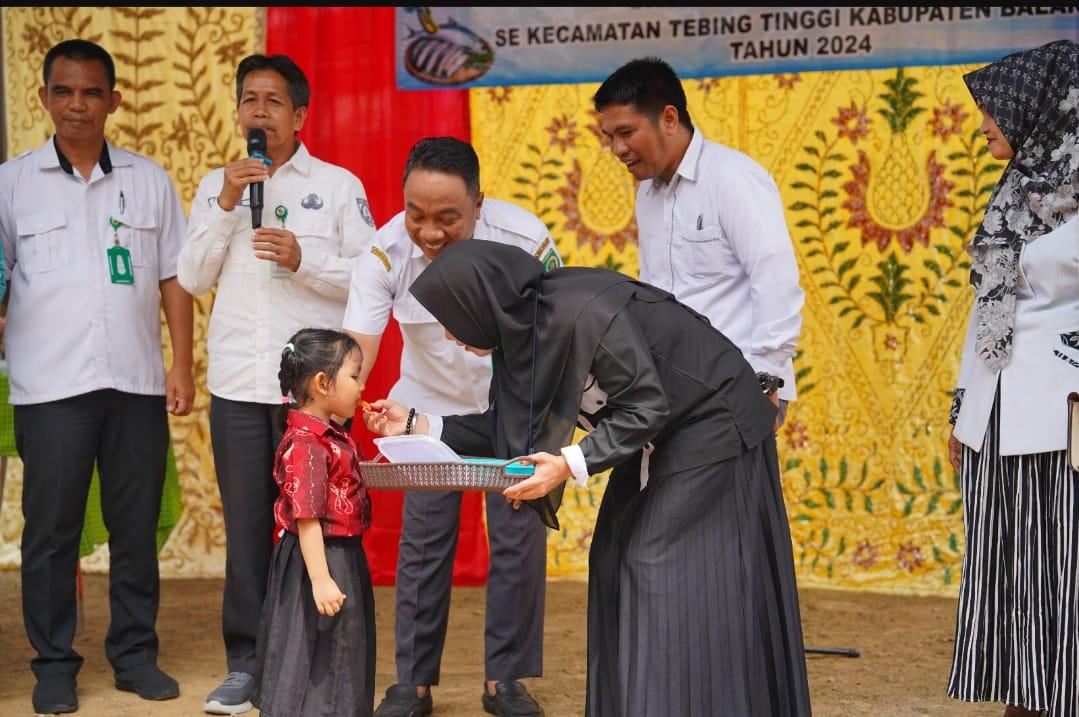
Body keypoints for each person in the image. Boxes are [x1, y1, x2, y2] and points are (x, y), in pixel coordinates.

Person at [364, 240, 813, 717]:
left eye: (453, 319)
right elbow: (503, 430)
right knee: (613, 555)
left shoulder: (585, 311)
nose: (451, 336)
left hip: (716, 425)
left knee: (649, 563)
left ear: (483, 303)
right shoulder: (521, 340)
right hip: (661, 435)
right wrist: (414, 422)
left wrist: (569, 462)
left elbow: (647, 406)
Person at [177, 53, 376, 715]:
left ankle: (309, 652)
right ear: (237, 111)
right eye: (248, 100)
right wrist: (229, 203)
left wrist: (305, 258)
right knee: (246, 525)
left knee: (312, 519)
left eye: (272, 101)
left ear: (298, 114)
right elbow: (191, 275)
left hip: (309, 393)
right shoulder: (217, 186)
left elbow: (368, 277)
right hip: (237, 380)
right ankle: (247, 661)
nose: (258, 112)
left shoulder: (338, 184)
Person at [0, 39, 193, 713]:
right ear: (45, 97)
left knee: (134, 525)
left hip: (135, 383)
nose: (77, 104)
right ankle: (54, 662)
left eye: (90, 92)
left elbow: (174, 276)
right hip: (48, 388)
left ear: (114, 99)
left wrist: (181, 362)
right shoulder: (11, 183)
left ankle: (134, 655)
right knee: (50, 529)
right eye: (63, 91)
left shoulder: (149, 179)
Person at [343, 136, 559, 717]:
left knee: (517, 539)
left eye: (447, 218)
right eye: (416, 214)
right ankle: (411, 682)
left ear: (479, 204)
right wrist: (333, 406)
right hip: (427, 411)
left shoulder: (525, 239)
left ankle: (505, 681)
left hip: (512, 408)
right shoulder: (385, 251)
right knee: (424, 542)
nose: (429, 231)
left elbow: (557, 331)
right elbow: (358, 349)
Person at [946, 39, 1079, 717]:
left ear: (1037, 106)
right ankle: (1028, 694)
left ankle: (1059, 694)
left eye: (992, 109)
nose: (983, 122)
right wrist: (960, 413)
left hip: (1062, 416)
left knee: (1062, 561)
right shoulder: (1015, 189)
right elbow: (986, 307)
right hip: (996, 411)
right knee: (1008, 563)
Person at [594, 57, 804, 423]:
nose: (617, 149)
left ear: (669, 119)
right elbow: (656, 292)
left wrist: (765, 381)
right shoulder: (646, 193)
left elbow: (776, 282)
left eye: (626, 133)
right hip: (675, 390)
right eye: (609, 137)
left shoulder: (733, 178)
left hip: (741, 386)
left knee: (736, 484)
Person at [252, 329, 375, 717]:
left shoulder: (331, 434)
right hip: (318, 560)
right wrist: (321, 578)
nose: (361, 386)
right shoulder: (306, 444)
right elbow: (307, 519)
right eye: (354, 376)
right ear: (323, 383)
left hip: (340, 556)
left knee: (342, 651)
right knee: (314, 653)